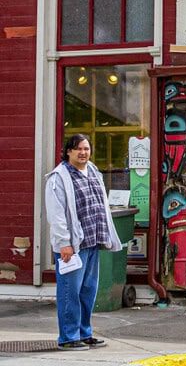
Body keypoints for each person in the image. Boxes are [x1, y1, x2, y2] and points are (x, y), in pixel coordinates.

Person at [45, 134, 122, 351]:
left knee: (88, 290)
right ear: (68, 151)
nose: (83, 153)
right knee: (70, 291)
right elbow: (57, 214)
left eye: (86, 148)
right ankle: (68, 338)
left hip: (92, 241)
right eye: (78, 148)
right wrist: (64, 243)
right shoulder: (58, 178)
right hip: (72, 247)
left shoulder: (94, 172)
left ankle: (84, 333)